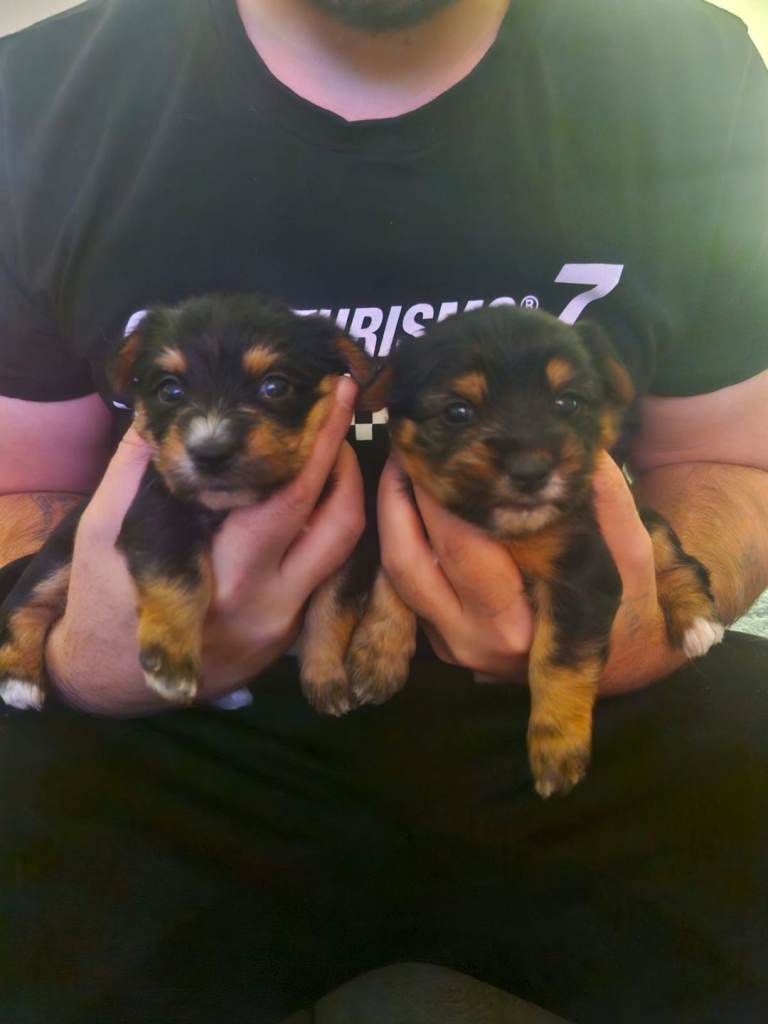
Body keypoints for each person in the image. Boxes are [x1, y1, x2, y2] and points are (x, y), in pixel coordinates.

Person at [1, 0, 766, 1021]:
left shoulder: (692, 67)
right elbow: (19, 481)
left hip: (606, 689)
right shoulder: (33, 95)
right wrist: (77, 655)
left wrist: (652, 617)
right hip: (158, 730)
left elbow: (727, 455)